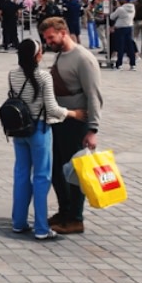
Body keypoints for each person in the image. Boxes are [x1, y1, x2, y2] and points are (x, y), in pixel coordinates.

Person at [8, 39, 85, 240]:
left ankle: (18, 221)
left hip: (19, 130)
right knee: (42, 177)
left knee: (21, 175)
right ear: (37, 55)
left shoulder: (12, 74)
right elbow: (52, 109)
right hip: (40, 129)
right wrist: (73, 114)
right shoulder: (44, 76)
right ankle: (41, 228)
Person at [41, 16, 103, 235]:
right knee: (58, 169)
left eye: (51, 37)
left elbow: (94, 95)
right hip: (60, 121)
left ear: (63, 32)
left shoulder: (83, 58)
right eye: (46, 39)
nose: (48, 42)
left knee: (75, 173)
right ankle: (64, 210)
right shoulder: (60, 54)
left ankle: (76, 217)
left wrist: (92, 129)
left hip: (77, 123)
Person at [109, 0, 137, 70]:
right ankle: (133, 64)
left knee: (120, 46)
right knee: (130, 46)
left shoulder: (120, 9)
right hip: (129, 27)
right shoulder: (133, 8)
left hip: (120, 29)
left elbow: (112, 17)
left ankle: (119, 64)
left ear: (123, 1)